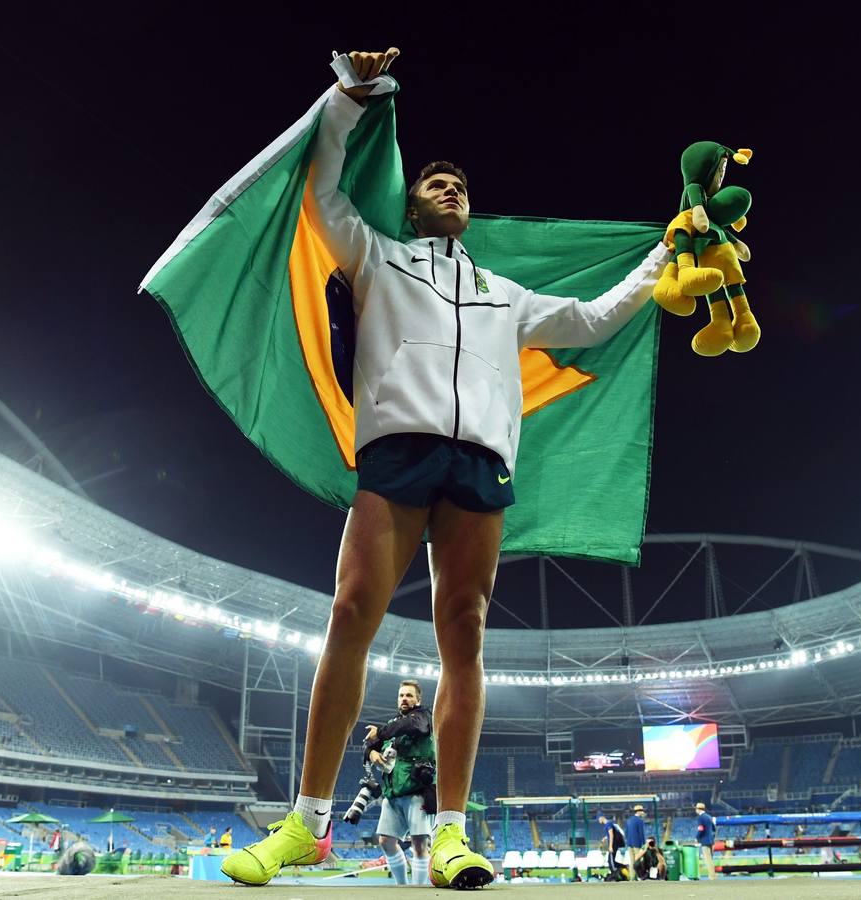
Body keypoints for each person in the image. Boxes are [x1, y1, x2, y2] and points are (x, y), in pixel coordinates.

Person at [221, 46, 670, 892]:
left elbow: (593, 320)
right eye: (434, 183)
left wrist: (664, 257)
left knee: (462, 633)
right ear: (415, 204)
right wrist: (350, 96)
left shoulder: (506, 294)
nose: (449, 189)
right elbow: (321, 192)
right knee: (353, 609)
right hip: (395, 448)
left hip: (480, 464)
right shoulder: (374, 253)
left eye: (459, 185)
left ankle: (449, 839)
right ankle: (305, 825)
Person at [365, 680, 436, 886]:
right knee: (386, 841)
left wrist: (380, 732)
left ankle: (420, 890)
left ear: (418, 699)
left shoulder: (423, 717)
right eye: (401, 695)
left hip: (417, 790)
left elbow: (413, 725)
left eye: (409, 695)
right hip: (393, 792)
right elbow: (369, 744)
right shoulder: (393, 722)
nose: (404, 698)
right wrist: (372, 753)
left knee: (419, 843)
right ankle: (402, 888)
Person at [598, 814, 626, 881]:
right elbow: (610, 834)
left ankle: (615, 874)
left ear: (601, 818)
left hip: (613, 845)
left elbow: (611, 834)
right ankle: (622, 867)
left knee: (611, 861)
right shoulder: (609, 824)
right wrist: (605, 838)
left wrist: (610, 846)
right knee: (610, 860)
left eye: (598, 819)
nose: (599, 821)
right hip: (614, 844)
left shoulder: (608, 824)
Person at [694, 802, 716, 879]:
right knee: (711, 859)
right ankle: (713, 875)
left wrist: (697, 837)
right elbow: (714, 828)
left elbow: (701, 829)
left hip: (705, 841)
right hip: (711, 840)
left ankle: (712, 877)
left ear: (698, 809)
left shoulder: (700, 818)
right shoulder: (709, 817)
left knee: (707, 859)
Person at [625, 804, 647, 876]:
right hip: (637, 844)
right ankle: (639, 876)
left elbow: (626, 833)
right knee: (638, 861)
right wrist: (644, 844)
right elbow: (641, 834)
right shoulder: (639, 821)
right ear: (639, 812)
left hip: (629, 844)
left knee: (632, 861)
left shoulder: (628, 820)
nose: (643, 812)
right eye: (642, 811)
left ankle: (632, 877)